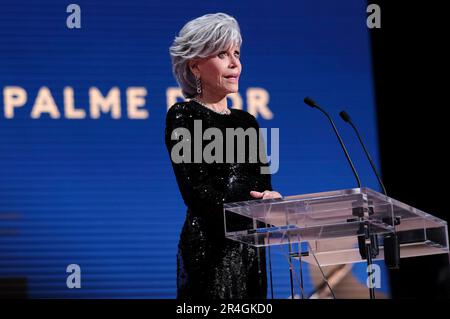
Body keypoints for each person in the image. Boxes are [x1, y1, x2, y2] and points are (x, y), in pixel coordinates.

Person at [166, 12, 282, 299]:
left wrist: (270, 201)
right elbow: (198, 192)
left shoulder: (247, 122)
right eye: (222, 54)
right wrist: (249, 205)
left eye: (237, 53)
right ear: (195, 66)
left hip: (249, 249)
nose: (235, 63)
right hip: (210, 250)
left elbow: (262, 184)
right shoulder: (184, 114)